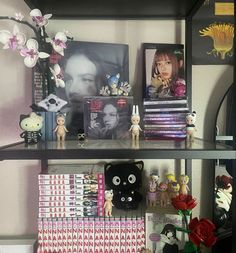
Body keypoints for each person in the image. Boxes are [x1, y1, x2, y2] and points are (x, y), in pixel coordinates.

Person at [56, 47, 106, 137]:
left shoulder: (110, 121)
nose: (72, 90)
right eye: (68, 79)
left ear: (100, 85)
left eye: (86, 79)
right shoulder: (59, 119)